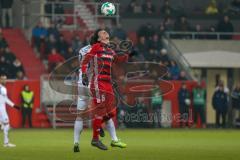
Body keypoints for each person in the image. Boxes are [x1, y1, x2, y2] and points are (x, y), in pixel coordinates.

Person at [74, 32, 127, 152]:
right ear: (98, 39)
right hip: (98, 83)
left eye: (108, 36)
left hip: (108, 84)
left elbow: (117, 60)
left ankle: (97, 126)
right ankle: (95, 138)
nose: (107, 36)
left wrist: (127, 54)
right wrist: (84, 75)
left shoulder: (109, 50)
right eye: (104, 35)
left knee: (112, 112)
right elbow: (85, 61)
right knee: (100, 111)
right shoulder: (96, 47)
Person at [0, 74, 20, 147]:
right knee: (6, 124)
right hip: (1, 110)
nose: (4, 80)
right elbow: (6, 100)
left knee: (4, 125)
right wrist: (15, 106)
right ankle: (6, 143)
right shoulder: (3, 89)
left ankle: (6, 142)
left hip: (1, 109)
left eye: (5, 79)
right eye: (3, 79)